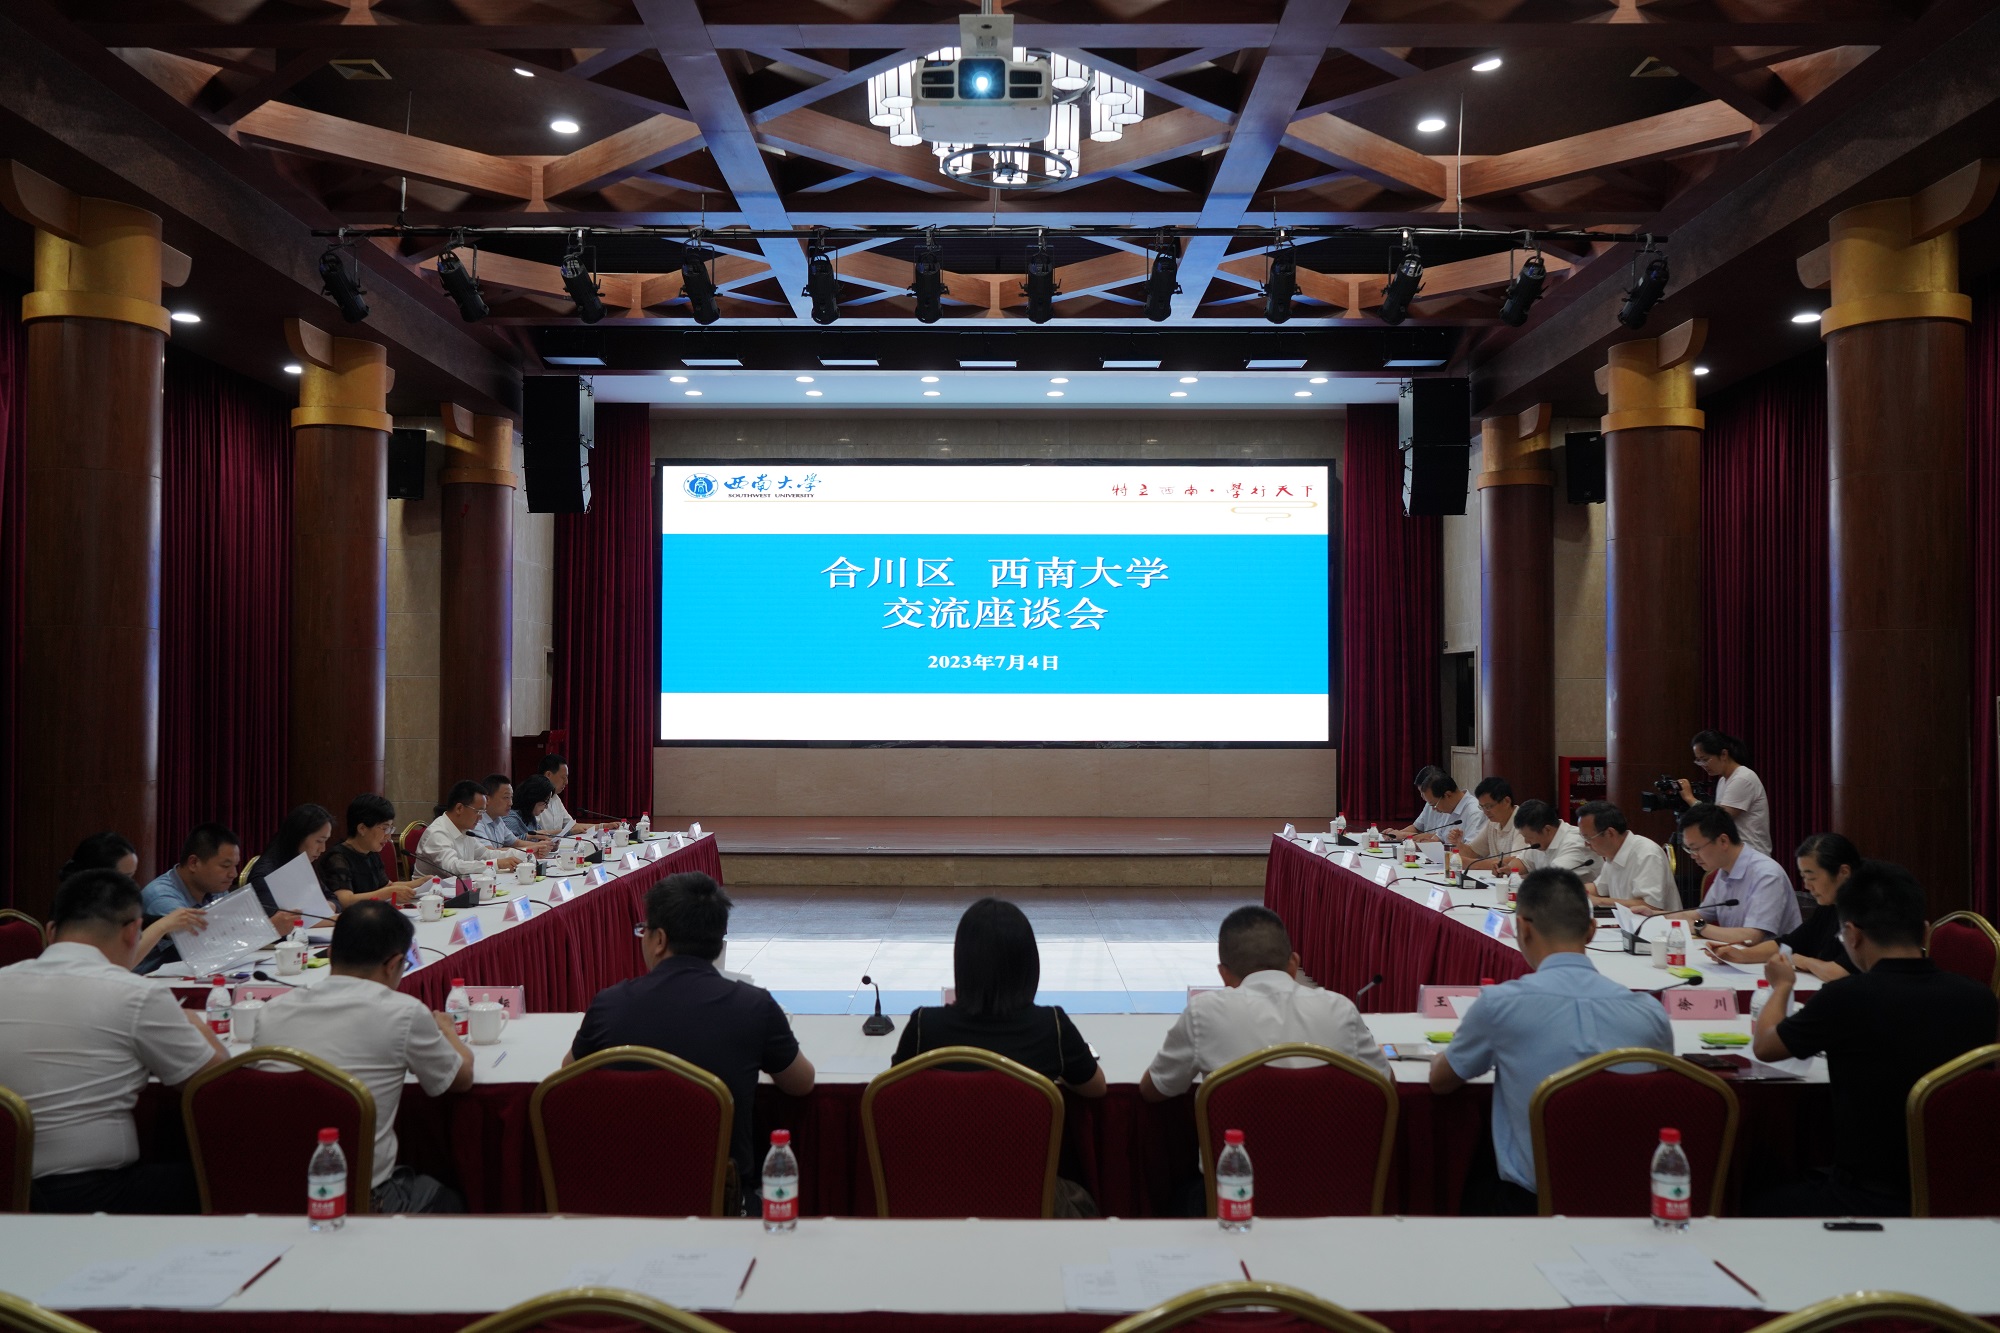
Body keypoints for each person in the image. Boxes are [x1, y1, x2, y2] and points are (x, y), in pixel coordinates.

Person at [1749, 861, 1999, 1217]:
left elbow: (1765, 1046)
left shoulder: (1846, 997)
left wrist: (1781, 986)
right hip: (1962, 1192)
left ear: (1852, 935)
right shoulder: (1980, 999)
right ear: (1925, 931)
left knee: (1756, 1194)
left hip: (1865, 1196)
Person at [1429, 867, 1673, 1214]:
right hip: (1629, 1204)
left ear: (1523, 929)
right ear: (1592, 930)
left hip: (1530, 1204)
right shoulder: (1649, 1012)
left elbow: (1441, 1082)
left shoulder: (1500, 1004)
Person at [566, 872, 814, 1212]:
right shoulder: (754, 1005)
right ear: (717, 943)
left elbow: (567, 1075)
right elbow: (801, 1083)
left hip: (616, 1201)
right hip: (719, 1204)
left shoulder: (609, 1004)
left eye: (644, 930)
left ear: (659, 940)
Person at [0, 869, 225, 1212]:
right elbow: (217, 1085)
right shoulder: (136, 993)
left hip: (7, 1187)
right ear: (134, 932)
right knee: (227, 1177)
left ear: (51, 931)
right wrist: (194, 1023)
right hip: (93, 1195)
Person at [894, 897, 1106, 1217]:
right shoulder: (1052, 1026)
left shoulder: (924, 1025)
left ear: (962, 964)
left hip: (936, 1195)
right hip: (1030, 1199)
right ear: (1029, 964)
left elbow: (896, 1093)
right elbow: (1096, 1088)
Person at [255, 901, 472, 1214]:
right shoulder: (403, 1012)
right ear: (393, 964)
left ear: (330, 954)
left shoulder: (271, 1012)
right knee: (452, 1195)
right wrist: (448, 1031)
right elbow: (460, 1079)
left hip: (270, 1191)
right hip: (363, 1197)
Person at [1139, 905, 1388, 1103]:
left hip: (1234, 1153)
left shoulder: (1203, 1013)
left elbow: (1155, 1090)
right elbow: (1385, 1083)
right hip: (1334, 1153)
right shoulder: (1340, 1009)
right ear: (1294, 964)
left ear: (1224, 975)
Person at [139, 824, 294, 973]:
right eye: (225, 866)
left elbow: (234, 926)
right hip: (156, 979)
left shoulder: (214, 888)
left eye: (235, 866)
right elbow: (202, 946)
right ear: (194, 863)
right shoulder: (162, 897)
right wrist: (266, 929)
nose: (233, 874)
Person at [1635, 803, 1800, 943]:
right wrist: (1654, 915)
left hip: (1772, 964)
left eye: (1696, 848)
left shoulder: (1766, 875)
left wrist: (1699, 927)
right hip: (1737, 958)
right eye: (1689, 849)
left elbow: (1751, 936)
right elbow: (1697, 915)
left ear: (1723, 841)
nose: (1693, 856)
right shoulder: (1724, 871)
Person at [1705, 833, 1861, 981]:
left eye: (1812, 877)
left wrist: (1804, 961)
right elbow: (1791, 942)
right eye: (1804, 877)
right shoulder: (1829, 905)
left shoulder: (1865, 909)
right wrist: (1743, 955)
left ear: (1843, 872)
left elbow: (1840, 972)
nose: (1807, 886)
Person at [60, 832, 204, 971]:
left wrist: (173, 924)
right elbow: (118, 964)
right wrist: (163, 926)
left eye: (132, 876)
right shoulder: (78, 909)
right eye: (126, 876)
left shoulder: (113, 905)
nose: (132, 885)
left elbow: (144, 921)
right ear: (99, 875)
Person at [317, 794, 421, 911]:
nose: (388, 836)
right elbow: (344, 901)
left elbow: (388, 885)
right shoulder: (337, 857)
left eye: (391, 829)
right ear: (362, 828)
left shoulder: (371, 853)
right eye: (385, 828)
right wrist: (387, 893)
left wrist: (421, 882)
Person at [246, 804, 336, 926]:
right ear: (298, 836)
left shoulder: (301, 863)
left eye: (325, 841)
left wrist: (330, 905)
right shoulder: (266, 874)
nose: (323, 849)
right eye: (319, 841)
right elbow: (275, 923)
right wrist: (329, 919)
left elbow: (332, 897)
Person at [1682, 730, 1771, 855]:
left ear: (1724, 754)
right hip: (1734, 854)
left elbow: (1719, 821)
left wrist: (1690, 799)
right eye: (1698, 761)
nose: (1703, 765)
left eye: (1705, 759)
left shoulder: (1742, 778)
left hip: (1751, 854)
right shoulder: (1723, 780)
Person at [1576, 800, 1675, 912]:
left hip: (1658, 922)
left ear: (1610, 833)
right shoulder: (1613, 853)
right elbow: (1598, 888)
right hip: (1628, 921)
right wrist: (1570, 891)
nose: (1586, 844)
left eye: (1588, 838)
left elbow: (1650, 907)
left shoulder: (1647, 854)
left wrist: (1599, 901)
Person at [416, 780, 520, 879]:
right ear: (459, 808)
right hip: (429, 890)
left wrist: (522, 854)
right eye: (478, 811)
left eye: (483, 812)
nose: (480, 818)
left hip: (458, 888)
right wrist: (496, 864)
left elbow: (486, 854)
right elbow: (453, 868)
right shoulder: (437, 833)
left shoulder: (465, 831)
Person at [1497, 799, 1602, 883]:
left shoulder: (1575, 844)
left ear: (1547, 830)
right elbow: (1523, 861)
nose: (1526, 841)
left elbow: (1549, 880)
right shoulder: (1542, 841)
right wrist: (1508, 870)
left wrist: (1518, 878)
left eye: (1529, 837)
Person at [1455, 777, 1527, 868]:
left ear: (1507, 801)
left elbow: (1516, 861)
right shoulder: (1492, 823)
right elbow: (1472, 852)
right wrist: (1458, 844)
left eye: (1488, 806)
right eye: (1482, 807)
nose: (1485, 812)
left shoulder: (1523, 822)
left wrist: (1471, 864)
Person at [474, 774, 552, 855]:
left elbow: (516, 842)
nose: (510, 803)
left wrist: (541, 846)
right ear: (487, 799)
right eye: (506, 797)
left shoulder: (498, 820)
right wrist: (532, 848)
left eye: (511, 797)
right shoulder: (476, 822)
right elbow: (489, 852)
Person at [534, 754, 605, 836]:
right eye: (563, 777)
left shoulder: (555, 798)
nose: (566, 782)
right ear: (548, 775)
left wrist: (603, 826)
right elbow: (534, 834)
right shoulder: (533, 798)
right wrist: (568, 831)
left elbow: (573, 826)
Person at [1411, 773, 1486, 848]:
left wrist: (1457, 844)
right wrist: (1424, 844)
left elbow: (1472, 851)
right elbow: (1439, 837)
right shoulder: (1449, 807)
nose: (1434, 809)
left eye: (1434, 805)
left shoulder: (1475, 812)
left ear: (1448, 795)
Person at [1390, 765, 1450, 839]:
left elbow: (1439, 838)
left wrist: (1403, 835)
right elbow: (1417, 827)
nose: (1422, 796)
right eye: (1420, 792)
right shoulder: (1429, 802)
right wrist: (1396, 834)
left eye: (1423, 792)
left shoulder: (1447, 805)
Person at [507, 774, 556, 843]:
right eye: (546, 801)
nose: (546, 806)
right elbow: (505, 843)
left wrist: (549, 843)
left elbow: (540, 838)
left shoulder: (531, 818)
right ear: (534, 797)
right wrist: (530, 836)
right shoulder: (511, 819)